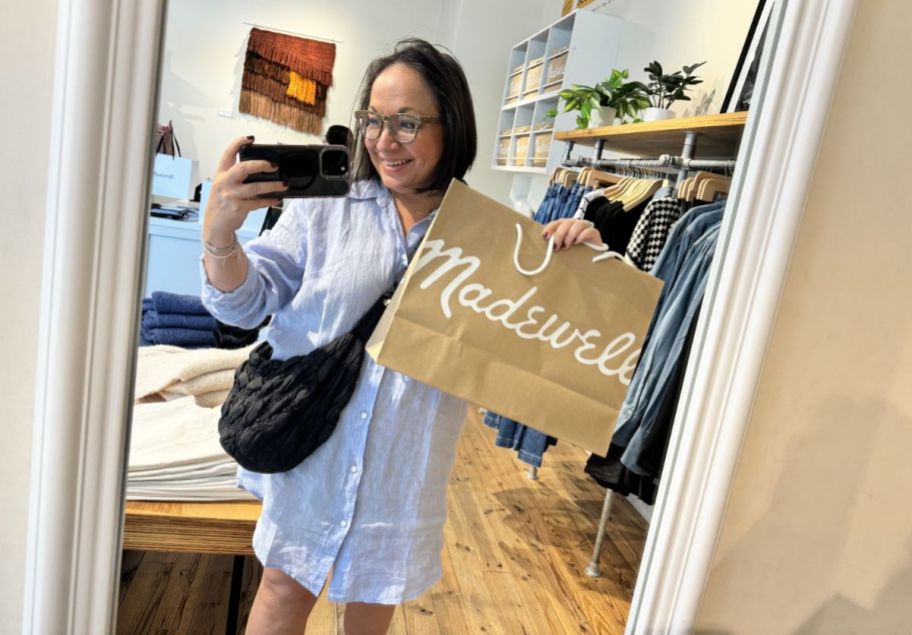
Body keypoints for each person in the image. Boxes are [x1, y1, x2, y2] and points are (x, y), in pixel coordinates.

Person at [200, 38, 600, 635]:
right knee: (282, 588)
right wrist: (220, 234)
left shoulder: (492, 239)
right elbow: (247, 302)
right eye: (374, 121)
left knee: (372, 602)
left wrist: (581, 269)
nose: (385, 141)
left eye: (407, 123)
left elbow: (534, 353)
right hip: (312, 446)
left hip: (403, 463)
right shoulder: (326, 209)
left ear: (452, 126)